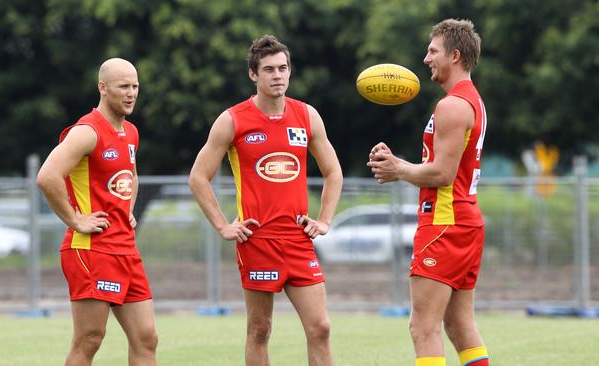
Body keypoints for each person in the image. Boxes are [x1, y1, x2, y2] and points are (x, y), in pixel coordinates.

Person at [189, 34, 343, 366]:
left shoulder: (306, 116)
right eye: (269, 69)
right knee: (260, 330)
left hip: (299, 240)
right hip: (257, 241)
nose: (278, 75)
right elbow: (198, 177)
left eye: (283, 68)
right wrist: (222, 226)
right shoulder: (233, 120)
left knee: (321, 327)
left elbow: (334, 173)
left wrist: (325, 219)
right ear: (253, 75)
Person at [367, 19, 489, 366]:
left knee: (423, 327)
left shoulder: (451, 106)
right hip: (464, 223)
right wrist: (400, 163)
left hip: (444, 224)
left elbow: (442, 173)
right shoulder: (473, 100)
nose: (425, 58)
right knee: (459, 324)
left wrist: (397, 169)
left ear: (454, 55)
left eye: (433, 51)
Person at [37, 58, 158, 366]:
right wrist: (75, 219)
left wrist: (127, 208)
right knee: (90, 339)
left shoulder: (130, 132)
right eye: (123, 87)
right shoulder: (87, 132)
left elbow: (130, 175)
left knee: (147, 338)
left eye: (135, 87)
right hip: (92, 250)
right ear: (103, 88)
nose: (131, 94)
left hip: (125, 249)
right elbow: (47, 177)